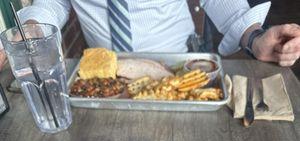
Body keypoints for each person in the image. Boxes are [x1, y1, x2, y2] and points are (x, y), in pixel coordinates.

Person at [0, 0, 299, 70]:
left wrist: (254, 38)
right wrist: (30, 28)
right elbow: (53, 3)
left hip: (180, 69)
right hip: (105, 74)